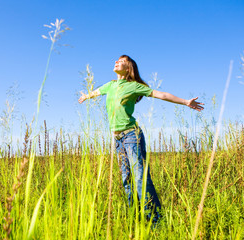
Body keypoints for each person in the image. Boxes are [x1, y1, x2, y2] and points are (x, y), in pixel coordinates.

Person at [78, 55, 204, 224]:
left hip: (131, 136)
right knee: (126, 179)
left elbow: (162, 94)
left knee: (139, 178)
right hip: (117, 139)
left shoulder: (134, 86)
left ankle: (155, 222)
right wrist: (86, 96)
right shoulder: (110, 85)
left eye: (121, 60)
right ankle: (136, 220)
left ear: (129, 67)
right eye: (116, 60)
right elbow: (96, 92)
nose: (116, 61)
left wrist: (185, 102)